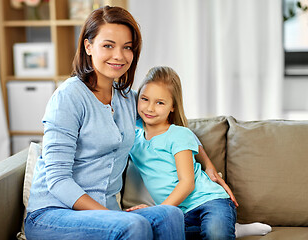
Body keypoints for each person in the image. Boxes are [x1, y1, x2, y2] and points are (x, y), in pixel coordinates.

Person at [24, 7, 185, 240]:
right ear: (88, 47)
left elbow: (168, 125)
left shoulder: (129, 99)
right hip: (53, 214)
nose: (119, 56)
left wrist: (207, 164)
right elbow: (58, 180)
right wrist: (115, 217)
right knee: (134, 227)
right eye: (108, 45)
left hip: (107, 215)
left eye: (127, 47)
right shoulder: (68, 97)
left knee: (170, 215)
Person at [127, 66, 272, 239]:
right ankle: (232, 230)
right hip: (178, 211)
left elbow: (187, 183)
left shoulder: (178, 134)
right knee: (156, 233)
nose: (150, 108)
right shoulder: (133, 130)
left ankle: (225, 228)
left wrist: (159, 212)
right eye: (144, 99)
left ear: (172, 106)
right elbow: (117, 92)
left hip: (209, 200)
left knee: (215, 234)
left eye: (160, 102)